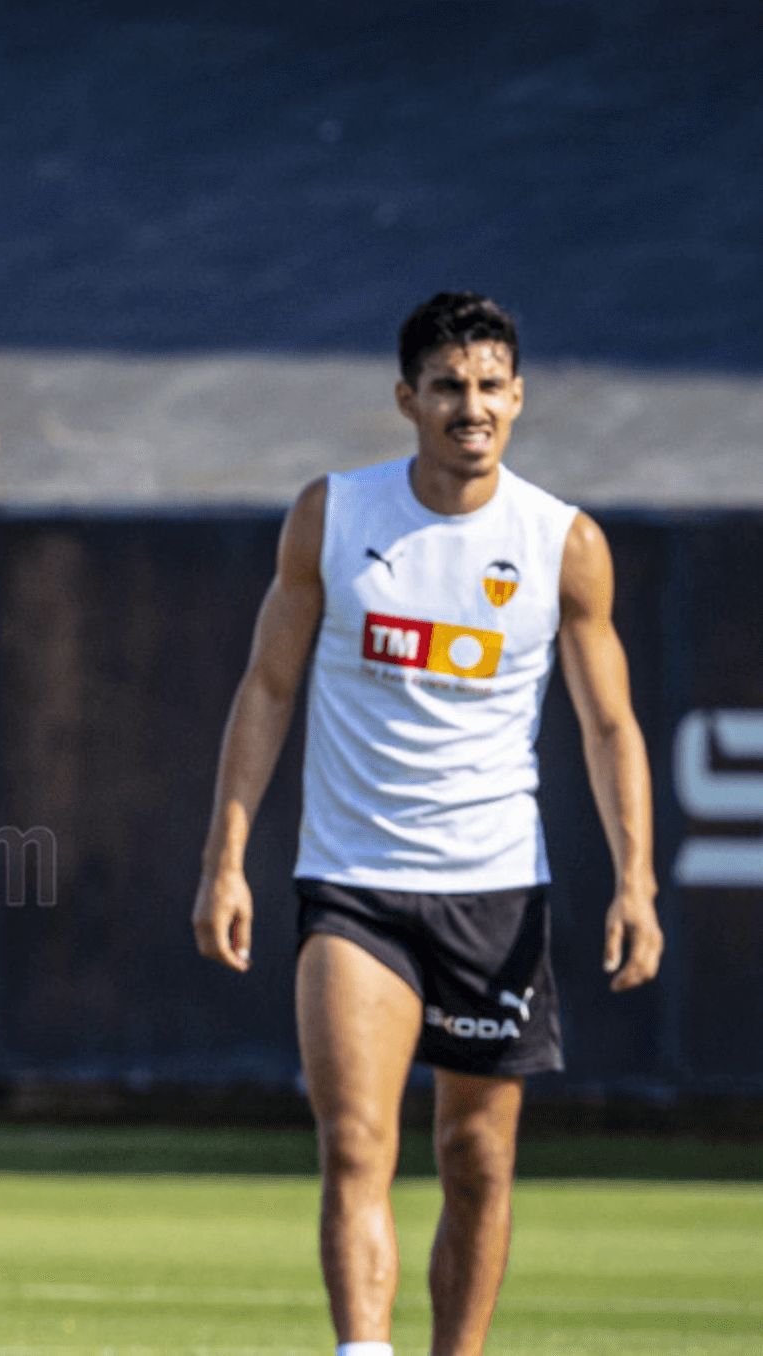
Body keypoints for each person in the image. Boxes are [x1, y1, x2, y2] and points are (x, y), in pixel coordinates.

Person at [192, 292, 664, 1356]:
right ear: (406, 398)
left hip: (495, 892)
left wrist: (635, 881)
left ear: (518, 397)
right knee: (356, 1142)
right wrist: (226, 859)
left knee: (475, 1157)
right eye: (447, 386)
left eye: (489, 385)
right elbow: (266, 688)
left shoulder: (562, 542)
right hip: (352, 885)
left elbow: (608, 726)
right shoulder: (332, 516)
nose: (470, 406)